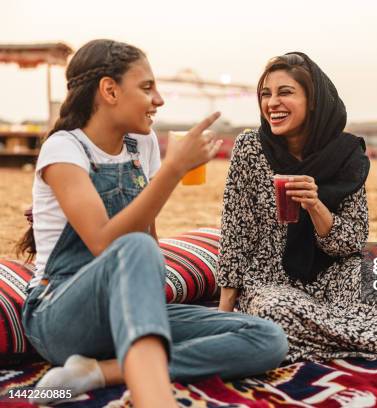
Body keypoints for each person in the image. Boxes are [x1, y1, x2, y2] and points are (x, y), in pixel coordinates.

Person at [17, 39, 287, 407]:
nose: (159, 100)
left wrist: (148, 298)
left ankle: (100, 372)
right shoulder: (64, 148)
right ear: (109, 90)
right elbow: (103, 243)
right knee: (135, 246)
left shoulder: (141, 146)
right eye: (147, 88)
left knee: (267, 337)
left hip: (125, 316)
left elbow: (149, 237)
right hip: (61, 315)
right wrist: (174, 170)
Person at [217, 52, 377, 362]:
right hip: (272, 281)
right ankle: (364, 339)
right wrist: (223, 317)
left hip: (338, 276)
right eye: (266, 94)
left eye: (285, 92)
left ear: (313, 100)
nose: (272, 103)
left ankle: (309, 343)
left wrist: (316, 206)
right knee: (274, 316)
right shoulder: (250, 148)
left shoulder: (345, 154)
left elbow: (353, 242)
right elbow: (236, 232)